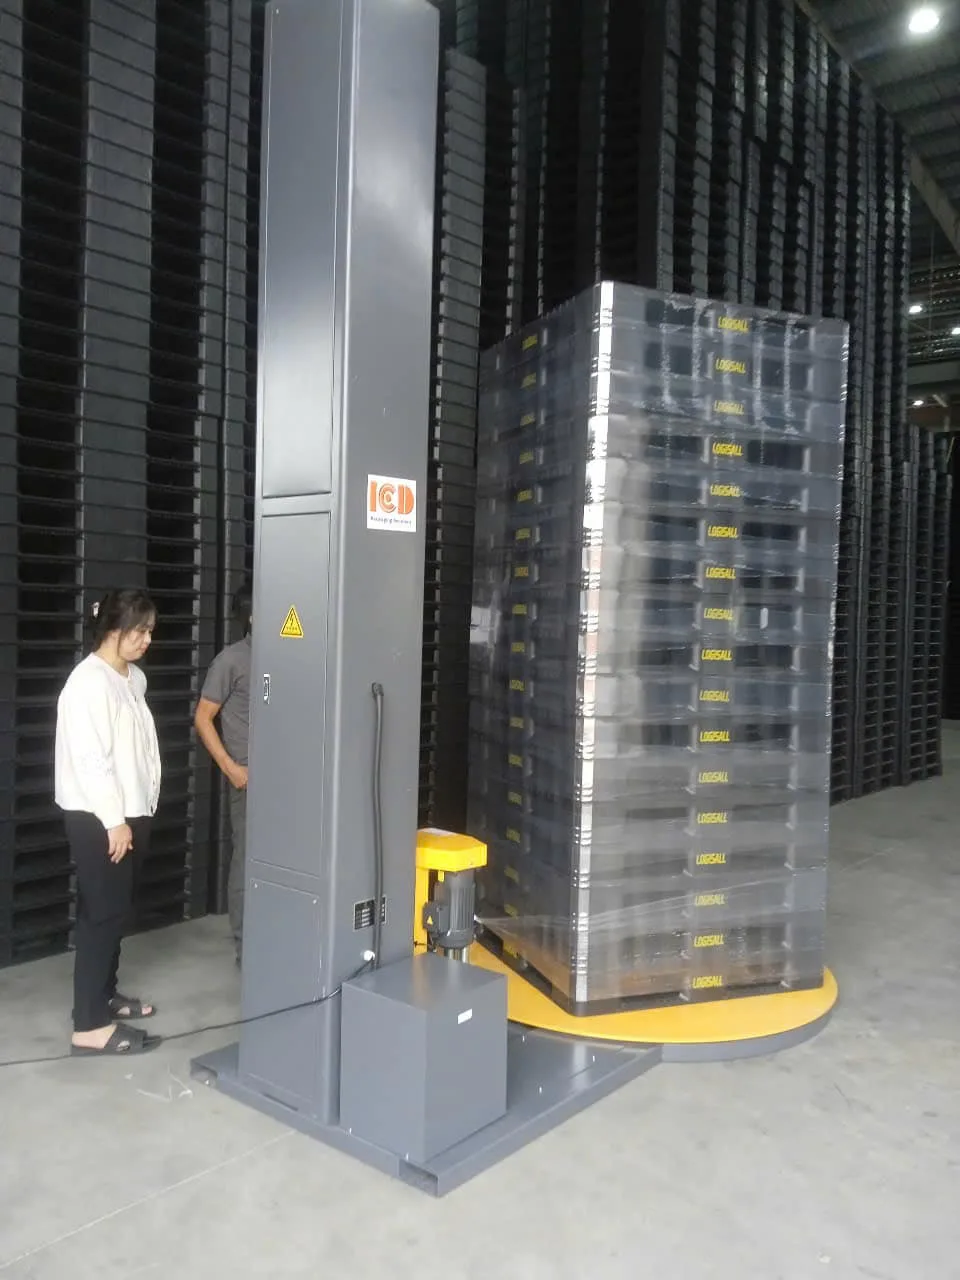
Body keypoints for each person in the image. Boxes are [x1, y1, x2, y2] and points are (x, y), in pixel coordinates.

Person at [55, 588, 163, 1056]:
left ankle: (105, 995)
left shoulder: (132, 678)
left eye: (150, 631)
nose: (147, 640)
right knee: (101, 915)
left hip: (131, 811)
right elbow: (90, 759)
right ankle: (89, 1026)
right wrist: (114, 822)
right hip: (100, 817)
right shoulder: (88, 683)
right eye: (139, 631)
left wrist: (137, 810)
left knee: (115, 910)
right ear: (113, 629)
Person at [195, 582, 252, 966]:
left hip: (290, 781)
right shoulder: (230, 660)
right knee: (246, 860)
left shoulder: (292, 656)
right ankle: (246, 947)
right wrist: (231, 768)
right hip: (249, 781)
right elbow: (203, 718)